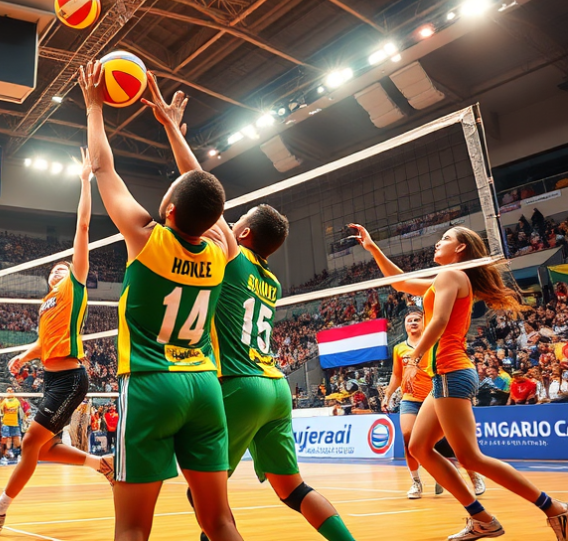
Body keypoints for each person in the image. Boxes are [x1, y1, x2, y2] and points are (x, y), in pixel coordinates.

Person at [144, 72, 353, 541]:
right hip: (276, 387)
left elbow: (196, 185)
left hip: (238, 384)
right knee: (292, 487)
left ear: (241, 235)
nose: (227, 221)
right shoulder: (272, 280)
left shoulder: (234, 257)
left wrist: (171, 127)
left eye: (234, 221)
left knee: (204, 497)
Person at [87, 59, 241, 541]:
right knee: (219, 522)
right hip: (204, 385)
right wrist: (174, 131)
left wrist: (95, 107)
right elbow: (208, 197)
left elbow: (102, 166)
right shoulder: (223, 250)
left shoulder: (145, 237)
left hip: (153, 386)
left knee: (132, 528)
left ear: (169, 209)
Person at [349, 224, 568, 540]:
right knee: (420, 447)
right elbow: (398, 281)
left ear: (462, 248)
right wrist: (372, 248)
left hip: (452, 372)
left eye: (446, 238)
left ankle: (554, 508)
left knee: (470, 457)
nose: (438, 242)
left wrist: (413, 359)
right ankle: (481, 519)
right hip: (446, 376)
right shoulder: (445, 278)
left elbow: (437, 321)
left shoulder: (451, 276)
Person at [0, 147, 114, 532]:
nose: (60, 269)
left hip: (70, 378)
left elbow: (82, 228)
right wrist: (23, 356)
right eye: (55, 269)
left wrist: (84, 182)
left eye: (65, 266)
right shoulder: (46, 304)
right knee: (43, 448)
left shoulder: (74, 286)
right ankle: (102, 464)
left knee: (30, 445)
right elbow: (44, 343)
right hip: (52, 378)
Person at [382, 310, 484, 499]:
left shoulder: (434, 342)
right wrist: (388, 394)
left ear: (424, 322)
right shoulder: (399, 349)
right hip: (410, 399)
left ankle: (472, 474)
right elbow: (397, 375)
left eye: (416, 320)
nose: (412, 323)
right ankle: (416, 482)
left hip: (435, 396)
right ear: (404, 326)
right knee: (407, 436)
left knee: (452, 439)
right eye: (409, 320)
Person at [0, 388, 21, 464]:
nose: (9, 392)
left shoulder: (16, 401)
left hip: (15, 423)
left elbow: (17, 407)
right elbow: (1, 410)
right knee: (5, 440)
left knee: (17, 441)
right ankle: (3, 457)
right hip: (6, 423)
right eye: (7, 390)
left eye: (11, 390)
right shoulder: (4, 401)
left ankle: (18, 455)